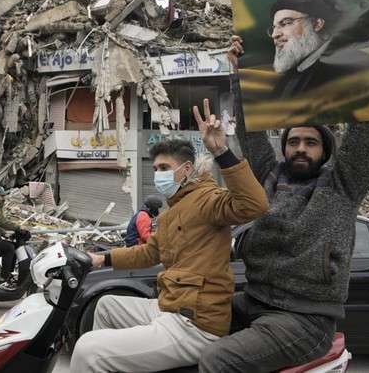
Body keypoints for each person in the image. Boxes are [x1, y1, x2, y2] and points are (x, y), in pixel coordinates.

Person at [196, 27, 369, 373]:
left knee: (217, 361)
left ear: (325, 150)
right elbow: (249, 129)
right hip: (254, 300)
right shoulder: (268, 177)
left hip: (306, 318)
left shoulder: (343, 185)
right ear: (283, 148)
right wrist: (240, 74)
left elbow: (368, 131)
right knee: (187, 314)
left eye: (311, 142)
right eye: (294, 141)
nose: (301, 147)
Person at [69, 99, 269, 372]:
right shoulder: (171, 212)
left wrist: (221, 150)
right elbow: (149, 253)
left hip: (194, 322)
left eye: (164, 168)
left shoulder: (207, 199)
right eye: (155, 169)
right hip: (170, 307)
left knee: (87, 349)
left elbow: (254, 205)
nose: (158, 175)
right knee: (105, 306)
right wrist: (101, 259)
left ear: (185, 170)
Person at [265, 0, 369, 99]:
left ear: (317, 24)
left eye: (286, 23)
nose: (275, 34)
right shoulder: (287, 79)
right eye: (274, 28)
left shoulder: (356, 64)